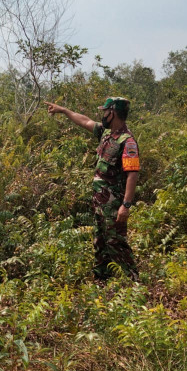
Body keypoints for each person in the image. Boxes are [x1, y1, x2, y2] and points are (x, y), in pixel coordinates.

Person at [44, 97, 140, 281]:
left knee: (116, 243)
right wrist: (63, 110)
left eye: (105, 112)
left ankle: (133, 281)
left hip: (114, 206)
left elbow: (132, 174)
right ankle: (101, 281)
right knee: (100, 242)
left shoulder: (127, 142)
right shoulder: (106, 133)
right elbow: (85, 121)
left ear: (112, 113)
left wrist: (126, 205)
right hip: (100, 204)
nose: (102, 115)